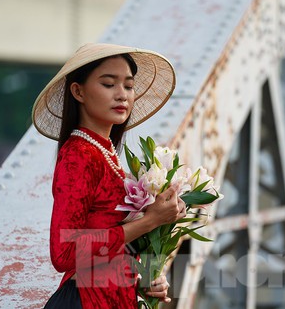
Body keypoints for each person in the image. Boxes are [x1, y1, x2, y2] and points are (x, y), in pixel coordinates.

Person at [32, 43, 186, 309]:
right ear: (78, 91)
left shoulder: (107, 155)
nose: (122, 95)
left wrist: (145, 277)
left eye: (128, 86)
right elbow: (64, 253)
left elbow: (108, 249)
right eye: (108, 84)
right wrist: (149, 222)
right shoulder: (79, 155)